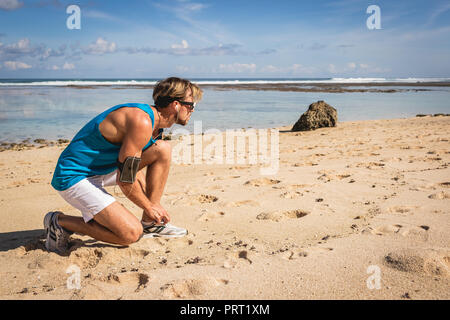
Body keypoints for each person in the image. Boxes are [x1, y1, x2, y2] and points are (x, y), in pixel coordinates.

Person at [45, 77, 203, 254]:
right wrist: (149, 207)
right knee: (130, 234)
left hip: (104, 169)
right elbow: (126, 179)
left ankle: (150, 224)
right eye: (191, 105)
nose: (192, 110)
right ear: (175, 104)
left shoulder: (157, 126)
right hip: (74, 176)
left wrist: (150, 208)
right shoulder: (142, 121)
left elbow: (130, 169)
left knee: (162, 150)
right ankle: (59, 221)